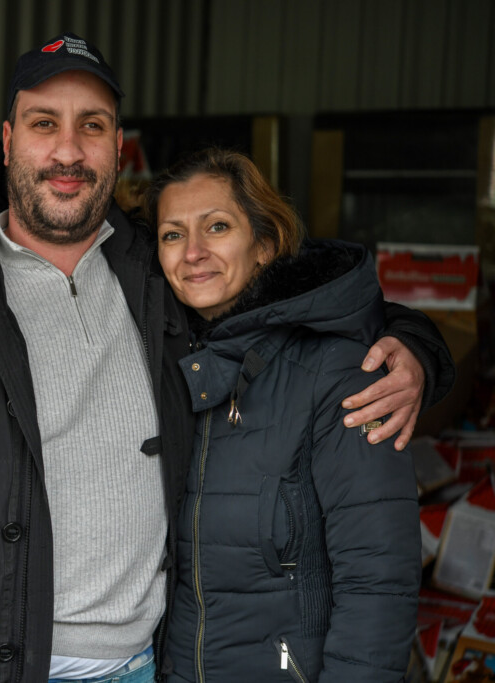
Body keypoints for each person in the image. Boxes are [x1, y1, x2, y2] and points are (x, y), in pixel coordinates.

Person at [0, 32, 451, 682]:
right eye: (45, 124)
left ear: (118, 150)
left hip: (155, 665)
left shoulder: (164, 275)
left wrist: (416, 349)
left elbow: (305, 299)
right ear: (8, 142)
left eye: (91, 126)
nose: (68, 150)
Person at [148, 148, 420, 682]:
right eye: (172, 235)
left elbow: (378, 579)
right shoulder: (159, 366)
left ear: (265, 246)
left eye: (218, 227)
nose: (194, 252)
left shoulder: (340, 373)